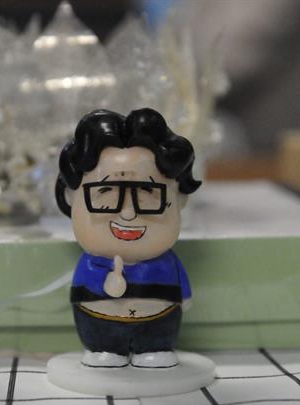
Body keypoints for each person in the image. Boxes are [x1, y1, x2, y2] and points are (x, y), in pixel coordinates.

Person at [55, 107, 201, 368]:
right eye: (106, 192)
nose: (128, 213)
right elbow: (82, 291)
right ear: (71, 197)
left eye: (147, 193)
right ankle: (103, 348)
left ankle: (156, 347)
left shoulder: (165, 263)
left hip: (160, 317)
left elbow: (182, 287)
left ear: (179, 199)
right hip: (98, 317)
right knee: (101, 339)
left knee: (157, 339)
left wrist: (185, 295)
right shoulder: (92, 264)